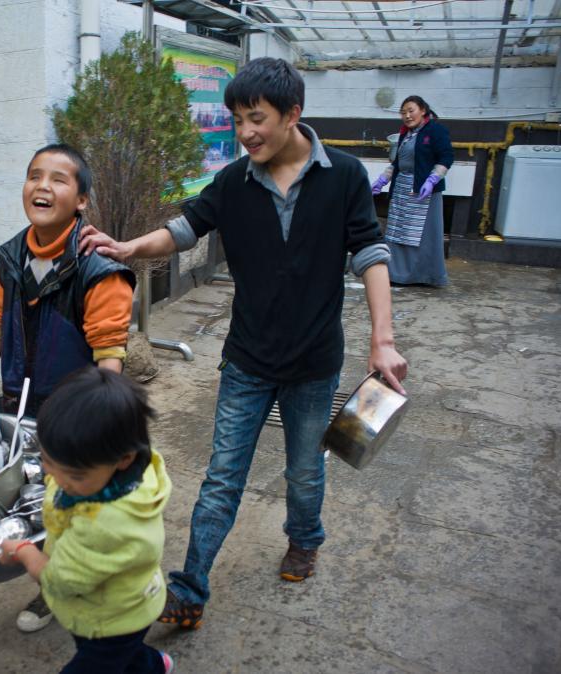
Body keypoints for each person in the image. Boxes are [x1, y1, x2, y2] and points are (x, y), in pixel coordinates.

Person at [79, 57, 408, 629]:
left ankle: (304, 538)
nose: (245, 132)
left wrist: (383, 340)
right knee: (222, 476)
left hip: (314, 363)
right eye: (237, 120)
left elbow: (371, 254)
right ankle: (190, 588)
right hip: (247, 361)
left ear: (292, 114)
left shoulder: (345, 175)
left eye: (256, 118)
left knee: (304, 470)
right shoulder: (235, 182)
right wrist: (130, 248)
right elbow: (184, 229)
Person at [0, 143, 136, 632]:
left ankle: (73, 591)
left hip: (73, 415)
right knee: (34, 504)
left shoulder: (100, 269)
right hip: (20, 409)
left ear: (81, 200)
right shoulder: (11, 258)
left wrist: (99, 424)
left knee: (75, 510)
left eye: (58, 179)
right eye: (34, 176)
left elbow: (109, 355)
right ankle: (58, 580)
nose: (42, 187)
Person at [0, 367, 173, 674]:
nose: (57, 479)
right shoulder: (128, 467)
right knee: (126, 657)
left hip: (112, 620)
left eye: (75, 475)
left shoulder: (104, 524)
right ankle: (154, 666)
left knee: (102, 658)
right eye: (47, 462)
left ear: (125, 458)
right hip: (129, 598)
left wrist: (25, 552)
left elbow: (59, 581)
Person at [371, 95, 454, 287]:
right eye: (403, 112)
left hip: (422, 190)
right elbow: (398, 162)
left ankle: (422, 275)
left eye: (411, 111)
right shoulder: (405, 134)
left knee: (417, 234)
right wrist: (383, 179)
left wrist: (432, 180)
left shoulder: (435, 130)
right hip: (402, 187)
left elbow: (447, 157)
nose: (407, 116)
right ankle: (395, 273)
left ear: (423, 110)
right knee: (397, 231)